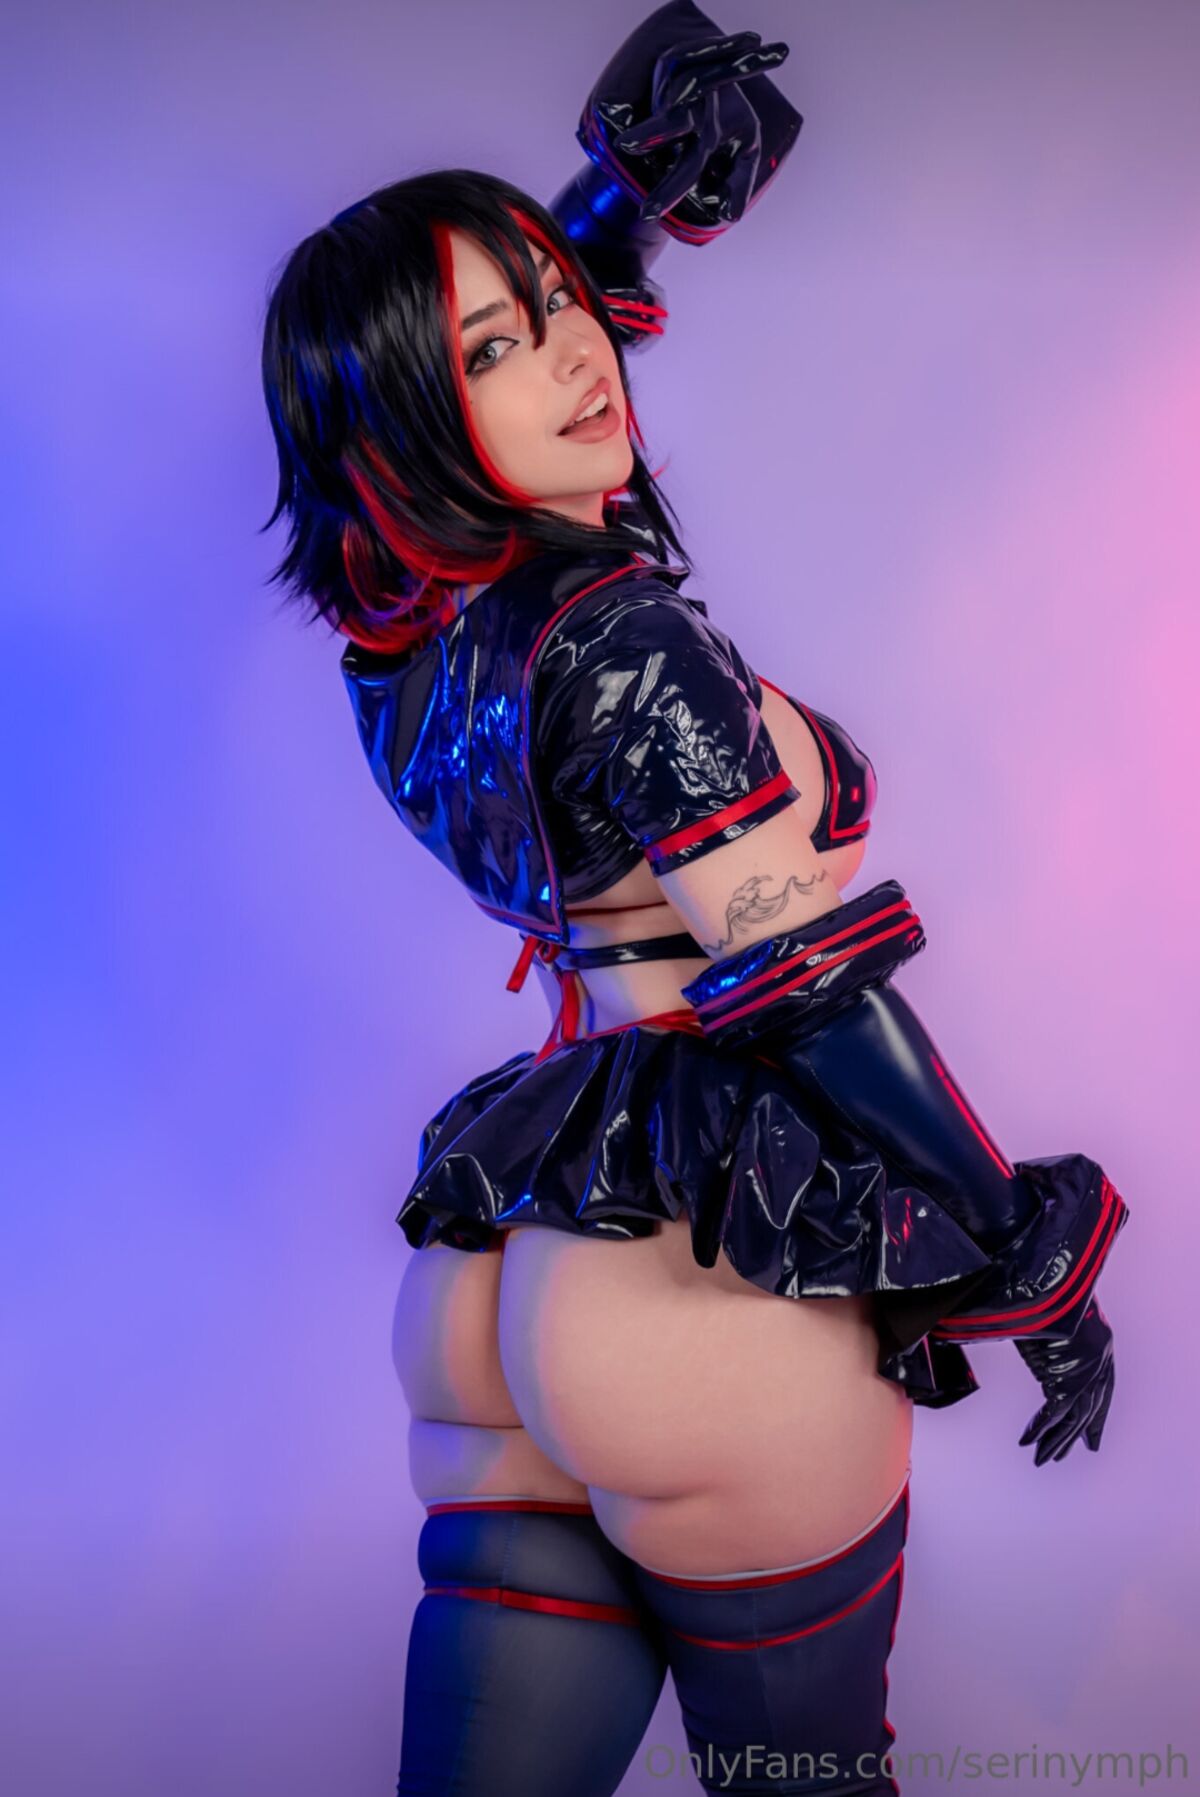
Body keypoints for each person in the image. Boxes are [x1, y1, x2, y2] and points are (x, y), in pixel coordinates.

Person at [258, 7, 1129, 1793]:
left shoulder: (403, 649)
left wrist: (612, 207)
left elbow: (510, 354)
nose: (578, 348)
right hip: (700, 1302)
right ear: (412, 427)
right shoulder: (623, 639)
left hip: (498, 1305)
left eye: (556, 304)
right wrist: (1025, 1253)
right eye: (500, 346)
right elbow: (807, 986)